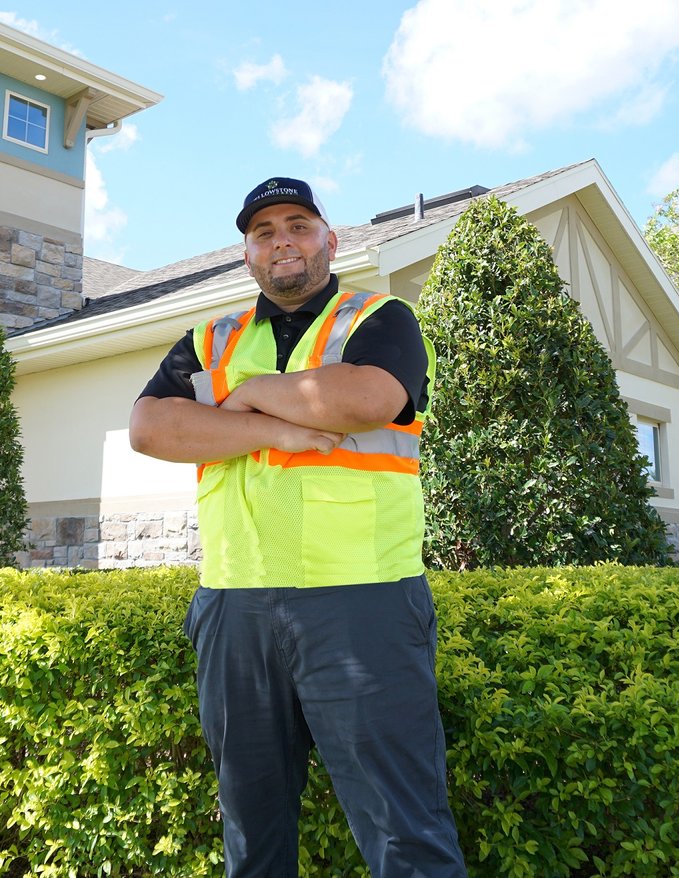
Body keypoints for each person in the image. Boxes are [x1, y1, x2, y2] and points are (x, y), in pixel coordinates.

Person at [129, 177, 467, 878]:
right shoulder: (209, 337)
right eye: (264, 232)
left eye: (298, 225)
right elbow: (152, 426)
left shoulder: (379, 316)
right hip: (234, 603)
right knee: (251, 834)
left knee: (404, 830)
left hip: (362, 600)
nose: (282, 240)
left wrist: (246, 397)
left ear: (329, 240)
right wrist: (275, 427)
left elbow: (370, 397)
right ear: (247, 254)